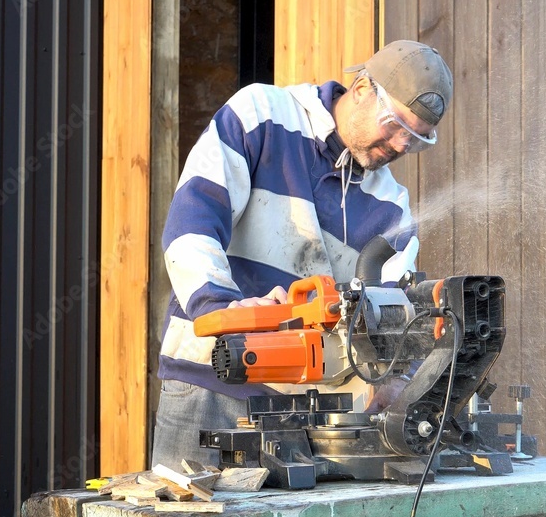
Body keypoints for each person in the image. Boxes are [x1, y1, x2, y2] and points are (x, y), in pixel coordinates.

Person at [151, 40, 454, 468]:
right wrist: (223, 309)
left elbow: (393, 316)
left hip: (309, 414)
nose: (401, 144)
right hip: (210, 382)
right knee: (185, 507)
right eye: (395, 124)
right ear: (362, 88)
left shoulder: (393, 207)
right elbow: (192, 224)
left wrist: (396, 377)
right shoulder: (261, 116)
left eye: (417, 138)